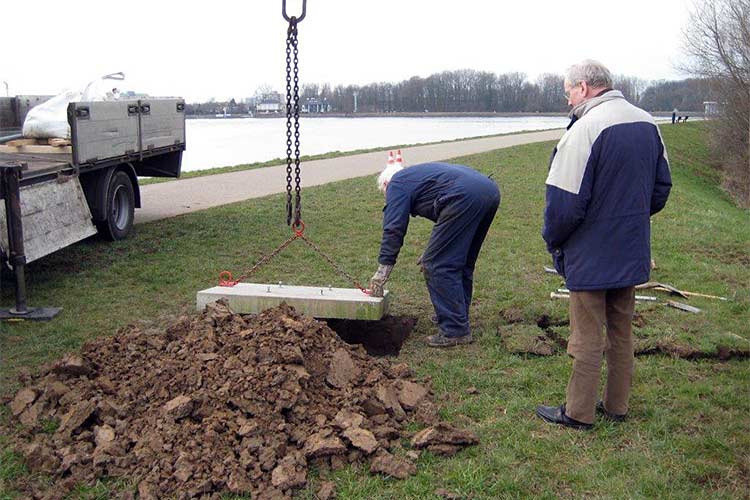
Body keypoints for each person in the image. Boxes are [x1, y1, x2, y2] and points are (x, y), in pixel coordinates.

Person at [537, 60, 672, 429]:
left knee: (586, 336)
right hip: (630, 249)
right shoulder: (647, 122)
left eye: (568, 93)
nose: (567, 101)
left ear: (583, 87)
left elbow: (563, 204)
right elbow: (660, 189)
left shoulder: (585, 129)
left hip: (591, 253)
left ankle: (577, 412)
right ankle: (617, 405)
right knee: (621, 330)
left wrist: (554, 240)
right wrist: (629, 220)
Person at [369, 158, 500, 347]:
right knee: (461, 262)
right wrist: (435, 248)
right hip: (488, 191)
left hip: (465, 195)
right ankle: (457, 315)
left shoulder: (396, 184)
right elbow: (446, 221)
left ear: (386, 184)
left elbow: (393, 228)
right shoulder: (417, 176)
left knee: (436, 265)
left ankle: (455, 330)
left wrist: (383, 270)